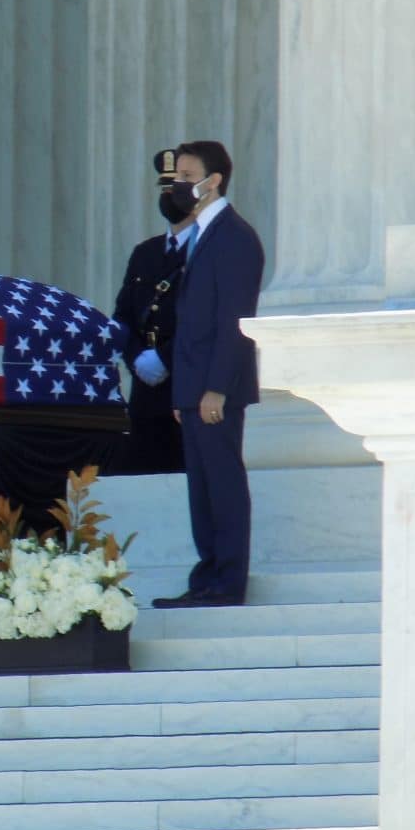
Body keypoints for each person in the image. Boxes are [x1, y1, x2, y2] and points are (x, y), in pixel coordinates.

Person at [151, 140, 265, 609]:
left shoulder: (234, 237)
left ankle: (226, 580)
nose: (177, 185)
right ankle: (207, 576)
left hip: (216, 390)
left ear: (212, 180)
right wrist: (186, 393)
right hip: (195, 391)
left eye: (185, 176)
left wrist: (216, 388)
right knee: (201, 486)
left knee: (221, 482)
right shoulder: (201, 235)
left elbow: (232, 322)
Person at [111, 148, 194, 474]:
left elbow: (205, 320)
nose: (168, 197)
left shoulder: (205, 250)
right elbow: (123, 317)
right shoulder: (145, 253)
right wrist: (137, 360)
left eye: (175, 189)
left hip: (185, 389)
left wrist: (164, 359)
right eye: (164, 190)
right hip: (145, 396)